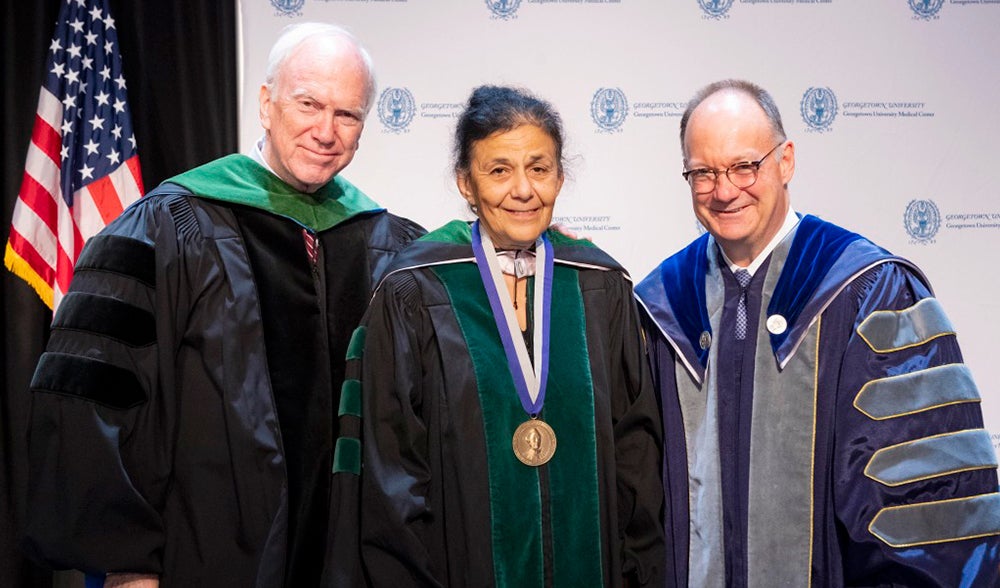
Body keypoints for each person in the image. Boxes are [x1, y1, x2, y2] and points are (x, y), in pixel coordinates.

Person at [22, 22, 424, 587]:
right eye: (308, 104)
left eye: (347, 114)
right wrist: (126, 562)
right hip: (205, 557)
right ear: (266, 104)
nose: (326, 130)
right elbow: (95, 400)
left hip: (353, 566)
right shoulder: (168, 228)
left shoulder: (391, 245)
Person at [635, 78, 1000, 587]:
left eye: (745, 166)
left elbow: (922, 511)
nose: (723, 190)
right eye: (703, 172)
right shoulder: (659, 307)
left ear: (785, 161)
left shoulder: (870, 291)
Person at [336, 85, 664, 586]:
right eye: (499, 171)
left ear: (560, 176)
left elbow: (635, 456)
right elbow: (392, 472)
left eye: (539, 168)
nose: (523, 190)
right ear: (466, 184)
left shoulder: (600, 285)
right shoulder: (415, 291)